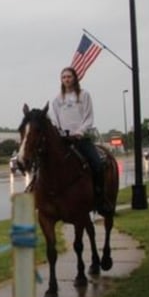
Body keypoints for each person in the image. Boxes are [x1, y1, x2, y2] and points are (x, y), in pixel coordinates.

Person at [49, 66, 111, 215]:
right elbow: (55, 120)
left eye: (69, 76)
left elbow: (88, 117)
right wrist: (60, 133)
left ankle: (100, 199)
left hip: (81, 139)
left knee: (97, 164)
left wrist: (80, 132)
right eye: (64, 77)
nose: (66, 79)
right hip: (65, 141)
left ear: (75, 78)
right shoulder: (57, 100)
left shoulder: (84, 95)